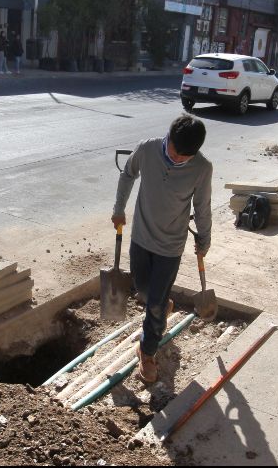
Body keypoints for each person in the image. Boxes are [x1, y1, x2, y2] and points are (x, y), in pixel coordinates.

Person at [111, 114, 212, 383]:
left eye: (185, 157)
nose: (178, 159)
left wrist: (205, 238)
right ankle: (161, 303)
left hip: (171, 246)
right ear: (169, 138)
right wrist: (118, 209)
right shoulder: (147, 149)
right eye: (175, 152)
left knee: (153, 306)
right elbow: (127, 173)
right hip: (141, 238)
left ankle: (147, 351)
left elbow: (202, 207)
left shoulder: (202, 168)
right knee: (144, 291)